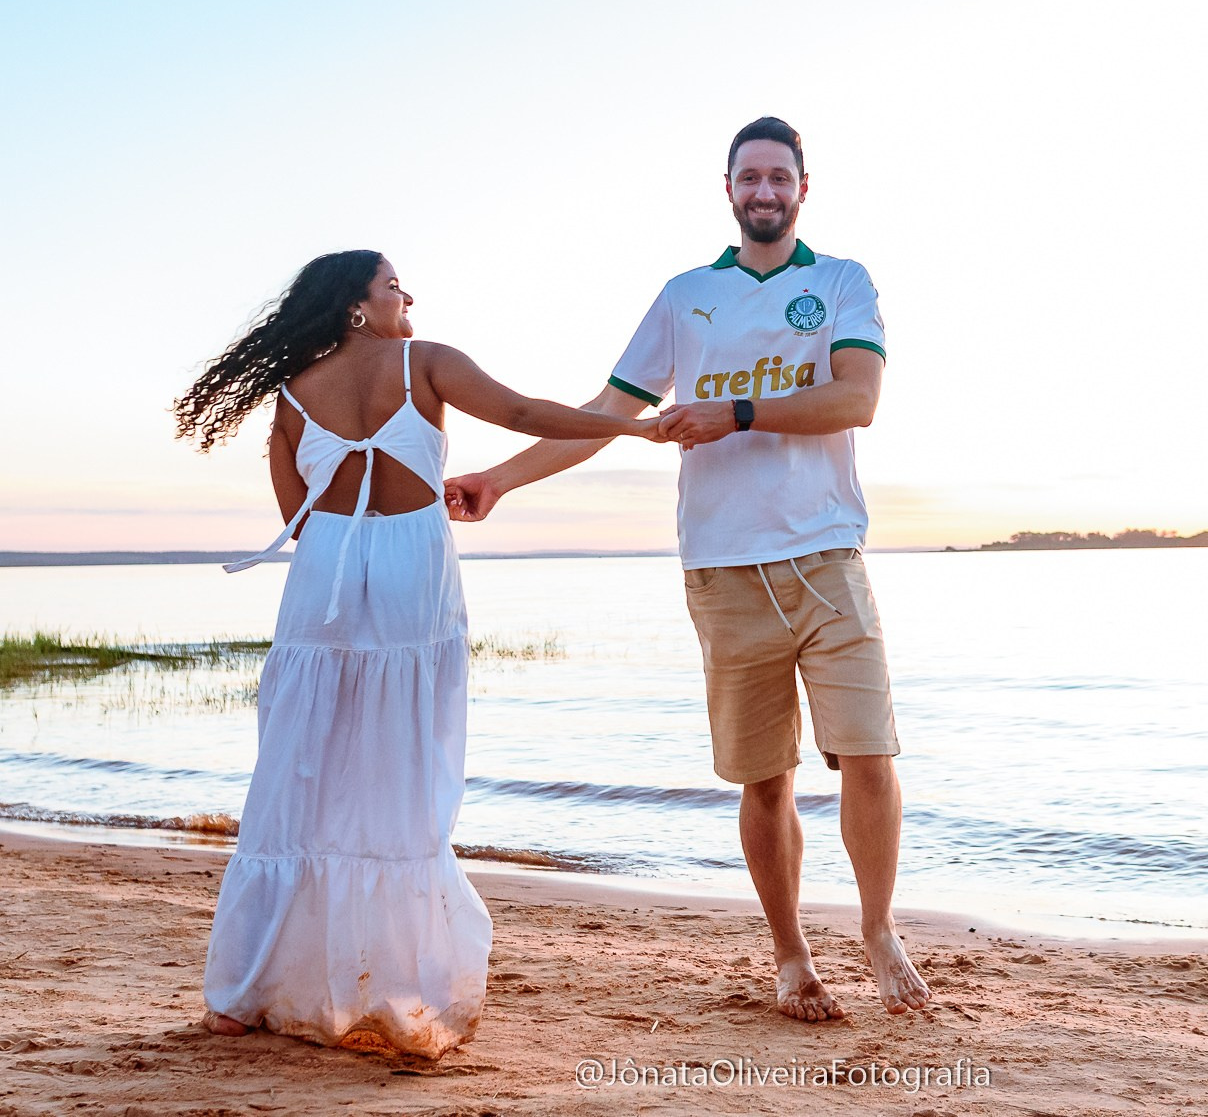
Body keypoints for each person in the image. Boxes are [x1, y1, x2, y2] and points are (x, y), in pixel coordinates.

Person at [446, 117, 932, 1020]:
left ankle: (876, 929)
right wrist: (501, 479)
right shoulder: (684, 295)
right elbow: (604, 410)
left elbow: (855, 398)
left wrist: (734, 411)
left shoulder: (840, 283)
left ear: (802, 188)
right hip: (721, 566)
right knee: (766, 779)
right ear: (729, 189)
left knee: (869, 751)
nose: (765, 190)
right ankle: (792, 958)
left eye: (779, 176)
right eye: (750, 176)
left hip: (827, 553)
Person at [172, 249, 659, 1057]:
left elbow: (298, 514)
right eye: (394, 284)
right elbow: (526, 414)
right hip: (411, 573)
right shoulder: (426, 362)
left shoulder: (292, 394)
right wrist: (633, 425)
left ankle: (240, 994)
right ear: (357, 306)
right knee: (403, 776)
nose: (409, 296)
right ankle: (399, 994)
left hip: (323, 576)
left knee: (297, 774)